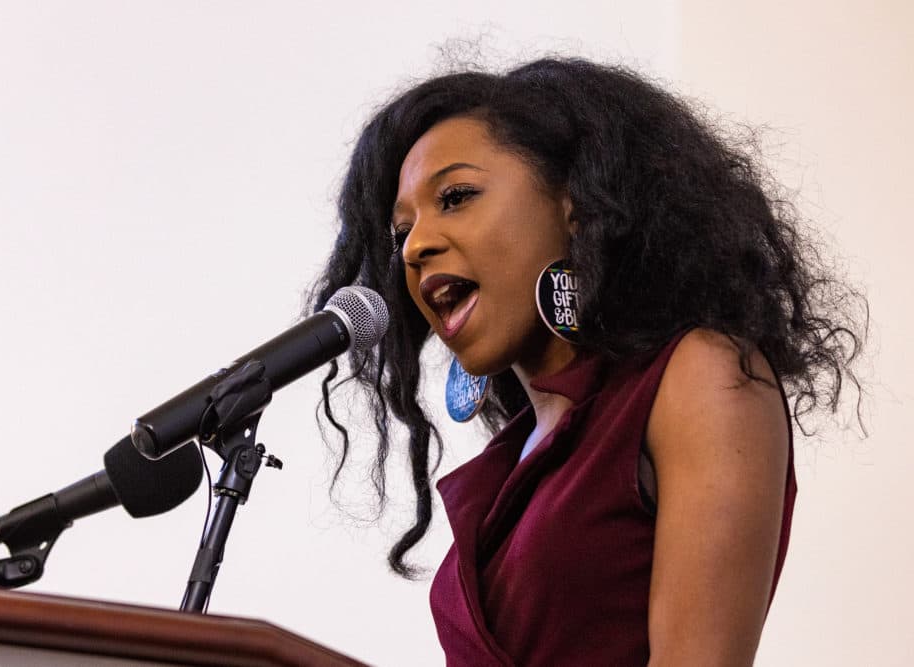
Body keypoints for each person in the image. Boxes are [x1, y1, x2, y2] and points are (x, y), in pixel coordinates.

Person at [309, 57, 864, 665]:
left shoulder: (698, 377)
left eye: (456, 196)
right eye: (400, 234)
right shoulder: (518, 457)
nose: (416, 246)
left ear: (574, 202)